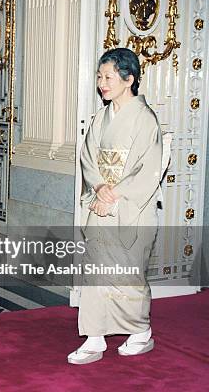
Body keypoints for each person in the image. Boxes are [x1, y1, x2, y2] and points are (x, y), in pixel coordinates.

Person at [68, 48, 162, 365]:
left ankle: (140, 332)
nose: (102, 83)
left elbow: (148, 168)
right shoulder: (101, 117)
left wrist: (114, 195)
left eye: (108, 77)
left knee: (127, 272)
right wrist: (98, 187)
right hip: (100, 201)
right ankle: (95, 338)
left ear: (129, 79)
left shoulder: (146, 119)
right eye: (99, 76)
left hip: (131, 208)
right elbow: (87, 155)